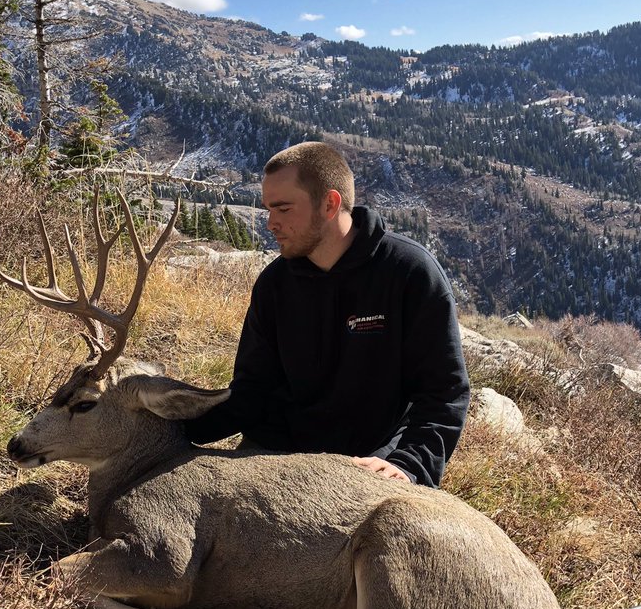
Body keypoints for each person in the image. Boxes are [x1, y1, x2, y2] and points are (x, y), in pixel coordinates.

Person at [184, 141, 470, 486]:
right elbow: (252, 392)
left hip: (368, 463)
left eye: (283, 209)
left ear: (330, 204)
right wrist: (175, 427)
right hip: (277, 456)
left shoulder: (409, 272)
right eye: (268, 210)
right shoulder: (274, 285)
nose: (270, 223)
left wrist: (409, 465)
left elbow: (444, 392)